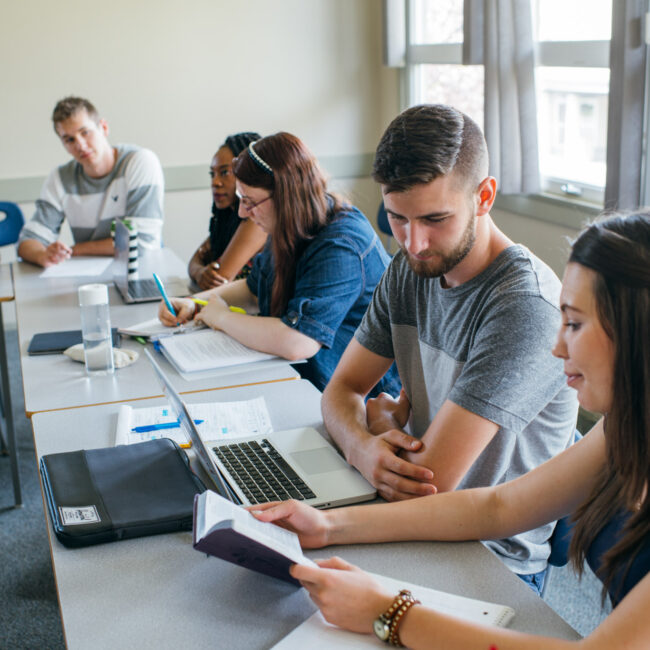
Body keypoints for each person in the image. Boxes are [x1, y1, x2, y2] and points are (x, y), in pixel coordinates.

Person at [253, 212, 650, 648]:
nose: (557, 347)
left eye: (573, 324)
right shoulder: (625, 427)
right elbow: (499, 507)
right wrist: (327, 526)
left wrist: (389, 614)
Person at [318, 104, 578, 589]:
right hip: (407, 518)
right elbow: (341, 390)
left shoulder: (525, 308)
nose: (414, 242)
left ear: (484, 196)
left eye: (435, 219)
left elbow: (425, 485)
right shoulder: (410, 268)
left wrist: (376, 424)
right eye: (397, 219)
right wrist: (363, 447)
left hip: (487, 560)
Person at [159, 132, 400, 395]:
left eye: (250, 202)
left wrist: (221, 318)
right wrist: (197, 303)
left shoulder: (341, 245)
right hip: (304, 379)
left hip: (360, 399)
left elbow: (298, 342)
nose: (242, 213)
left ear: (287, 197)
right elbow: (252, 289)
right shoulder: (290, 224)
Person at [18, 96, 164, 267]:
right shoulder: (60, 178)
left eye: (85, 132)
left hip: (139, 270)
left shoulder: (140, 162)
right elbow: (28, 241)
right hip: (88, 277)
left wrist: (76, 250)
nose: (80, 145)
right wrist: (43, 255)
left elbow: (141, 242)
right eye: (69, 139)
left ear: (103, 127)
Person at [187, 132, 268, 290]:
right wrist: (200, 272)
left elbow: (219, 279)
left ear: (247, 172)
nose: (215, 182)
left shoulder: (256, 219)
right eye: (213, 174)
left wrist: (202, 273)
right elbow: (195, 260)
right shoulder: (227, 218)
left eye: (224, 173)